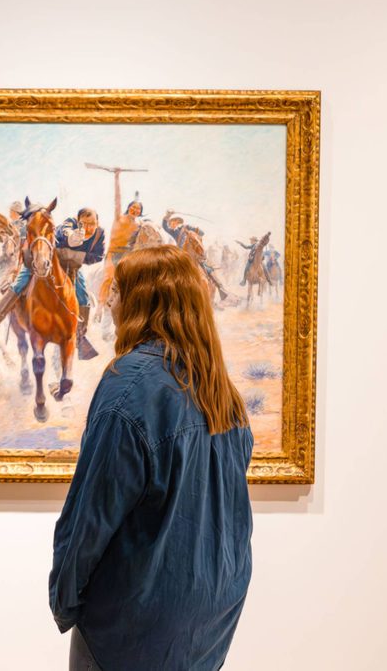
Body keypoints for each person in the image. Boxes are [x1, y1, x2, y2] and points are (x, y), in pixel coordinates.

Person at [50, 245, 254, 671]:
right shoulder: (221, 392)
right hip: (206, 626)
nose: (109, 300)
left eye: (118, 291)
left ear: (143, 301)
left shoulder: (129, 384)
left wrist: (64, 602)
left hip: (130, 627)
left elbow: (92, 513)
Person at [0, 207, 105, 360]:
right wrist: (70, 236)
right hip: (47, 259)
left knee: (83, 295)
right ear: (78, 221)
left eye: (92, 223)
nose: (88, 227)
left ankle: (80, 335)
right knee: (20, 283)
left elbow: (98, 256)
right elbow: (61, 231)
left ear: (97, 222)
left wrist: (74, 256)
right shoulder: (69, 224)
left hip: (71, 267)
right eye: (84, 223)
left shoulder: (99, 235)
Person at [163, 211, 229, 300]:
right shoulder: (174, 232)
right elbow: (164, 226)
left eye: (172, 222)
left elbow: (202, 233)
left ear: (178, 222)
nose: (171, 224)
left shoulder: (187, 228)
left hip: (193, 255)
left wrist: (193, 228)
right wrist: (167, 216)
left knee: (207, 268)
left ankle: (220, 287)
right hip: (181, 256)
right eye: (170, 223)